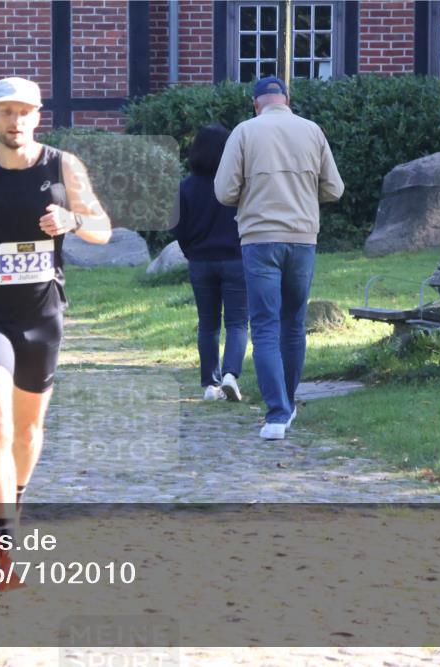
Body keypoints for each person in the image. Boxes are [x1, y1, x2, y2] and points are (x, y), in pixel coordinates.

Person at [0, 77, 111, 590]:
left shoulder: (63, 166)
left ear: (38, 117)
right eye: (6, 112)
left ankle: (16, 498)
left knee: (29, 431)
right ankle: (3, 529)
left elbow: (102, 228)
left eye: (24, 112)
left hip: (43, 313)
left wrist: (72, 218)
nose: (15, 122)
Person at [214, 76, 344, 440]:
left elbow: (224, 191)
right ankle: (287, 404)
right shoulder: (312, 130)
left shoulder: (244, 132)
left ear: (256, 103)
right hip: (303, 239)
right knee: (294, 324)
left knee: (266, 326)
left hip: (259, 239)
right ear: (286, 99)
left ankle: (277, 413)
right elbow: (335, 188)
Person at [173, 124, 247, 402]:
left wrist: (190, 250)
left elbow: (177, 227)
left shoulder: (185, 188)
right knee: (238, 322)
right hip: (236, 258)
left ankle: (209, 384)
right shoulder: (237, 185)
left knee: (208, 323)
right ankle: (231, 375)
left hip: (201, 261)